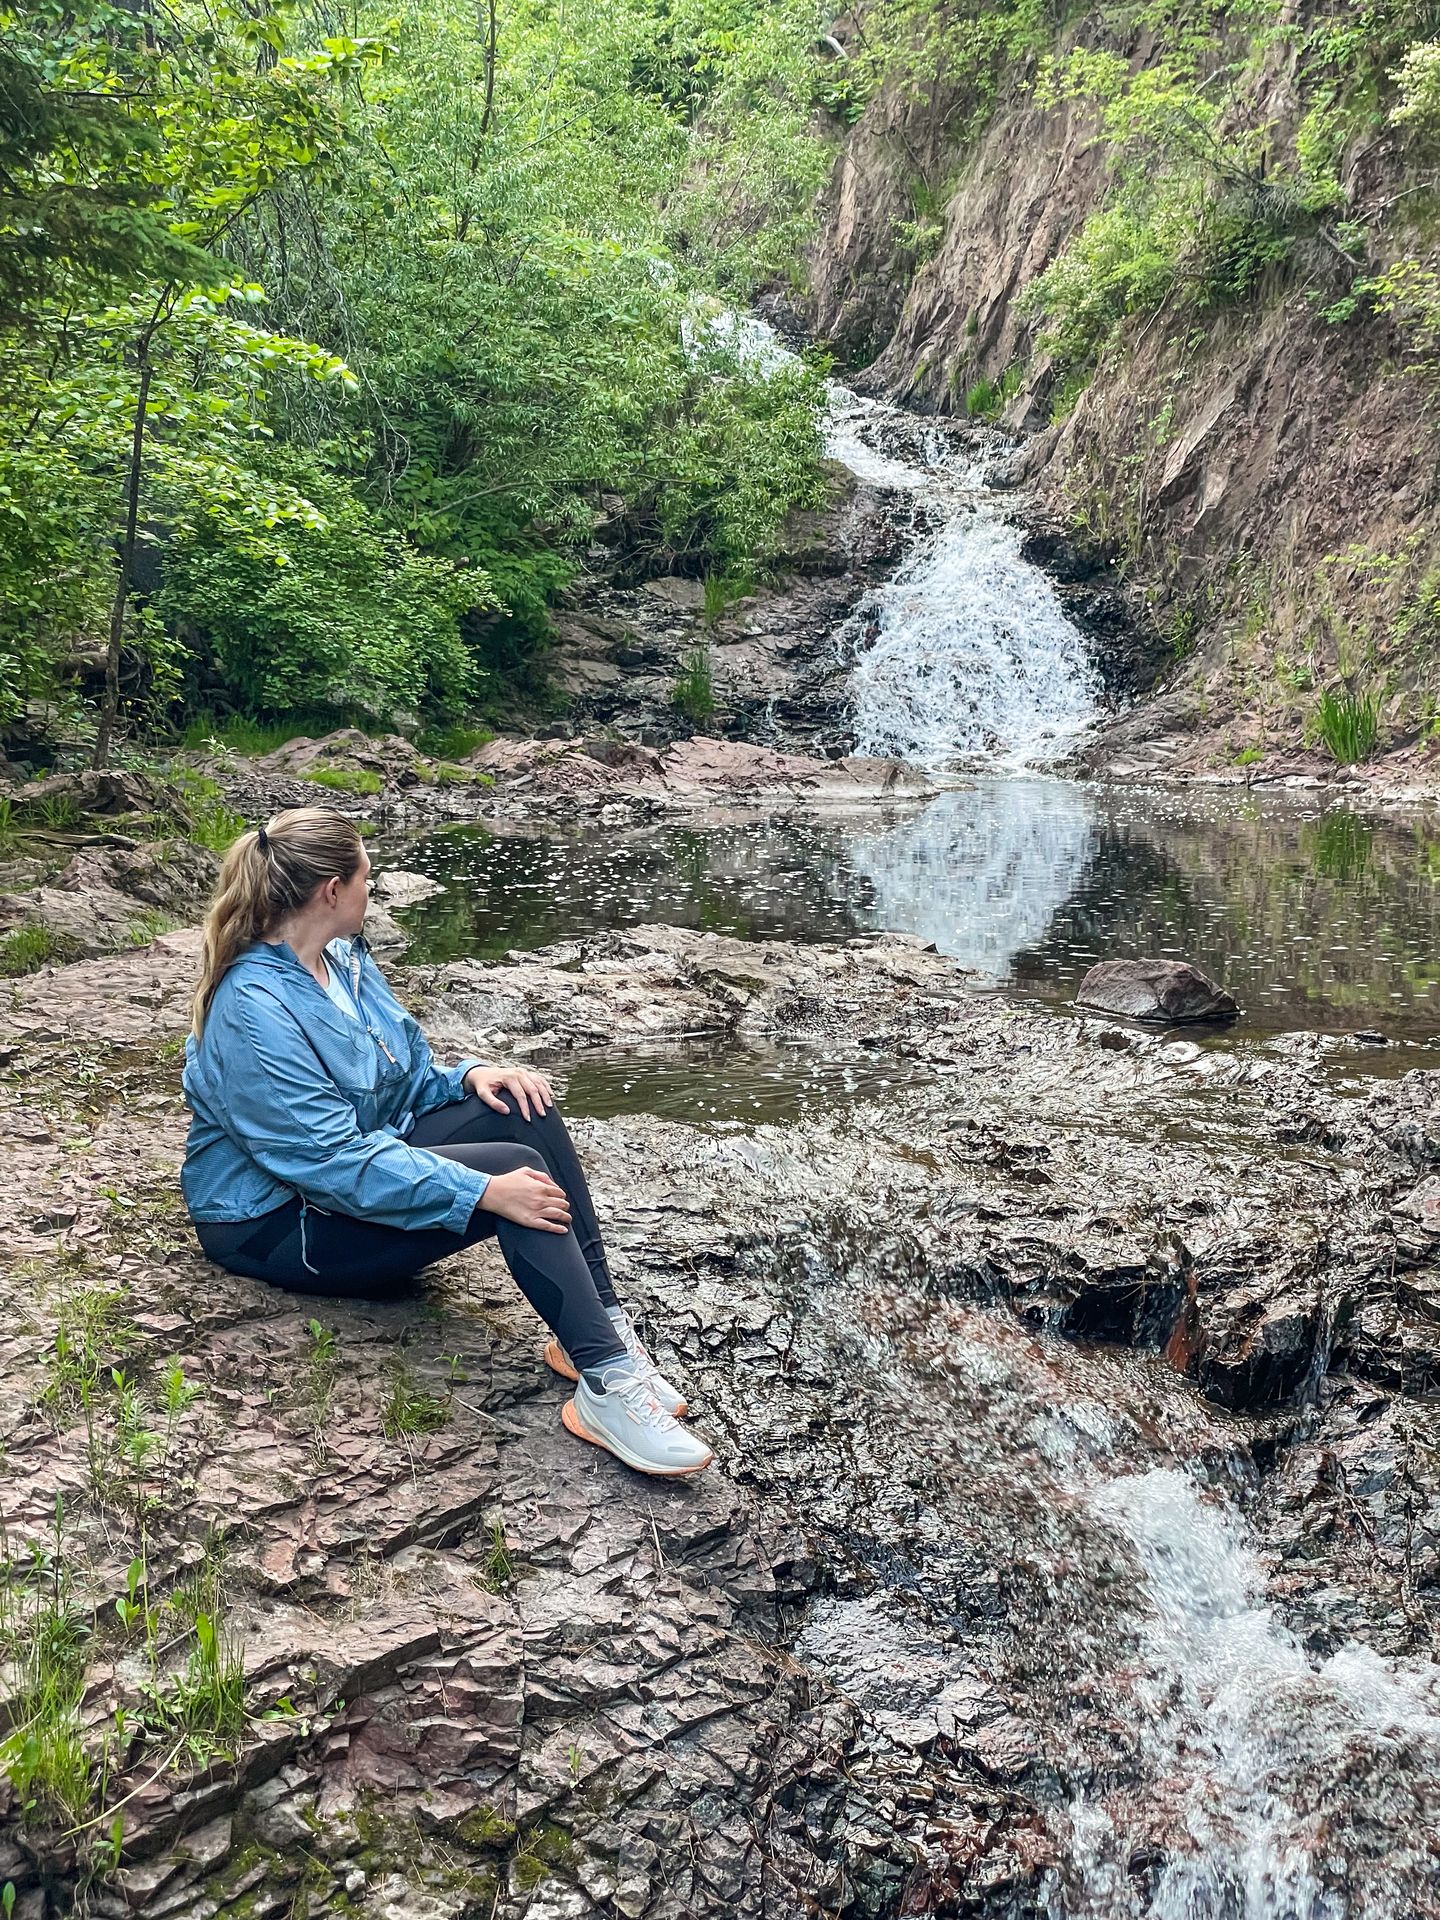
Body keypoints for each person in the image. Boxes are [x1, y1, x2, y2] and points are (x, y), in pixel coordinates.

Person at [181, 806, 712, 1479]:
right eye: (366, 875)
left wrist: (469, 1076)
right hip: (278, 1224)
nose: (373, 887)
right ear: (332, 892)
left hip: (348, 1172)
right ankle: (607, 1388)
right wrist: (484, 1190)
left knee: (524, 1107)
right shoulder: (255, 1009)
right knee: (513, 1173)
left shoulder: (341, 960)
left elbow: (395, 1081)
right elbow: (326, 1162)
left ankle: (599, 1339)